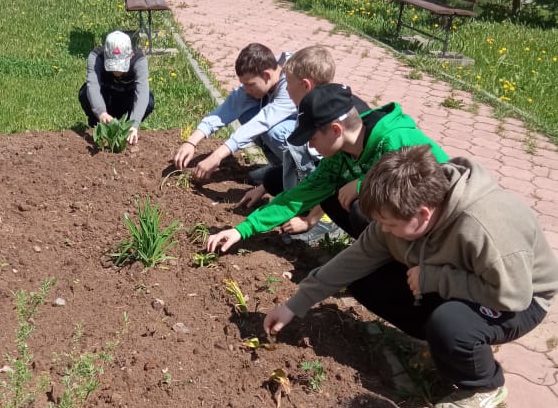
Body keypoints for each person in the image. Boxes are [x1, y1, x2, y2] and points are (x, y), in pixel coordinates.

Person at [263, 145, 558, 408]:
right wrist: (295, 304)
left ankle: (484, 385)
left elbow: (513, 296)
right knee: (365, 278)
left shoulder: (485, 228)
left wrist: (435, 278)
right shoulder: (404, 211)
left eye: (390, 224)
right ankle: (452, 343)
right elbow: (356, 258)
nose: (384, 229)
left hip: (521, 296)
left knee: (450, 324)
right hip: (465, 280)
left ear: (423, 214)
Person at [207, 83, 448, 254]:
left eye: (312, 138)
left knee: (360, 208)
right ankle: (382, 255)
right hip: (404, 227)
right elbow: (298, 196)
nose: (310, 145)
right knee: (333, 197)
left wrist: (365, 184)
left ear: (335, 130)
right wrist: (243, 229)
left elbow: (440, 180)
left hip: (442, 230)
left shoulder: (396, 139)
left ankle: (398, 261)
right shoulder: (339, 156)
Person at [234, 47, 370, 244]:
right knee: (273, 179)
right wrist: (246, 223)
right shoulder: (313, 113)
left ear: (305, 85)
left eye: (288, 83)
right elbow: (311, 178)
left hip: (364, 192)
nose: (285, 89)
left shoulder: (335, 121)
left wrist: (309, 220)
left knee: (346, 202)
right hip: (338, 177)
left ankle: (327, 224)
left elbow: (330, 180)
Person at [172, 43, 297, 182]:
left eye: (250, 85)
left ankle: (297, 174)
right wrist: (191, 142)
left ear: (267, 75)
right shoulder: (265, 70)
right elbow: (227, 109)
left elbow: (262, 122)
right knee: (246, 112)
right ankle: (279, 167)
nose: (247, 90)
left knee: (275, 132)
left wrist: (216, 156)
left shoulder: (292, 82)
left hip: (314, 144)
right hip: (289, 128)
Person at [78, 30, 154, 146]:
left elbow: (142, 92)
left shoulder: (139, 61)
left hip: (127, 100)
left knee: (148, 101)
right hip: (106, 98)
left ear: (130, 54)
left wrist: (134, 124)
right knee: (84, 93)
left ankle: (127, 130)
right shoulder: (95, 57)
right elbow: (92, 86)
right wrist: (101, 113)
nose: (117, 71)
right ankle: (98, 127)